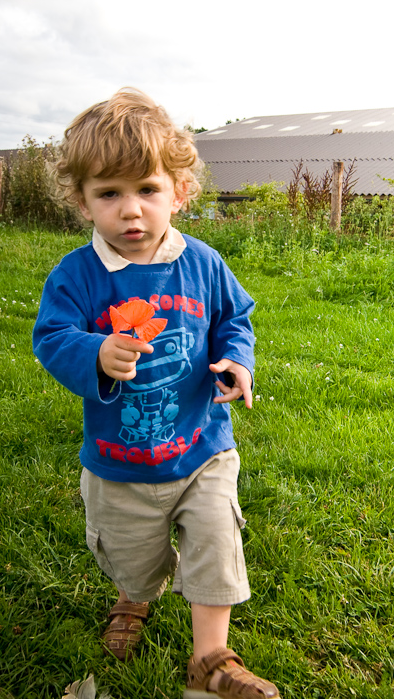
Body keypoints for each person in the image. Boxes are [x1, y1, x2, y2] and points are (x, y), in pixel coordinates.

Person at [32, 88, 280, 699]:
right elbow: (52, 337)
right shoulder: (76, 276)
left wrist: (236, 361)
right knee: (136, 562)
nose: (132, 211)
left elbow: (234, 318)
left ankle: (212, 663)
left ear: (180, 192)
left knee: (214, 538)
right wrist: (95, 352)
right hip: (121, 460)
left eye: (147, 189)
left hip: (202, 445)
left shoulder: (203, 263)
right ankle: (133, 598)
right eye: (108, 194)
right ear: (83, 202)